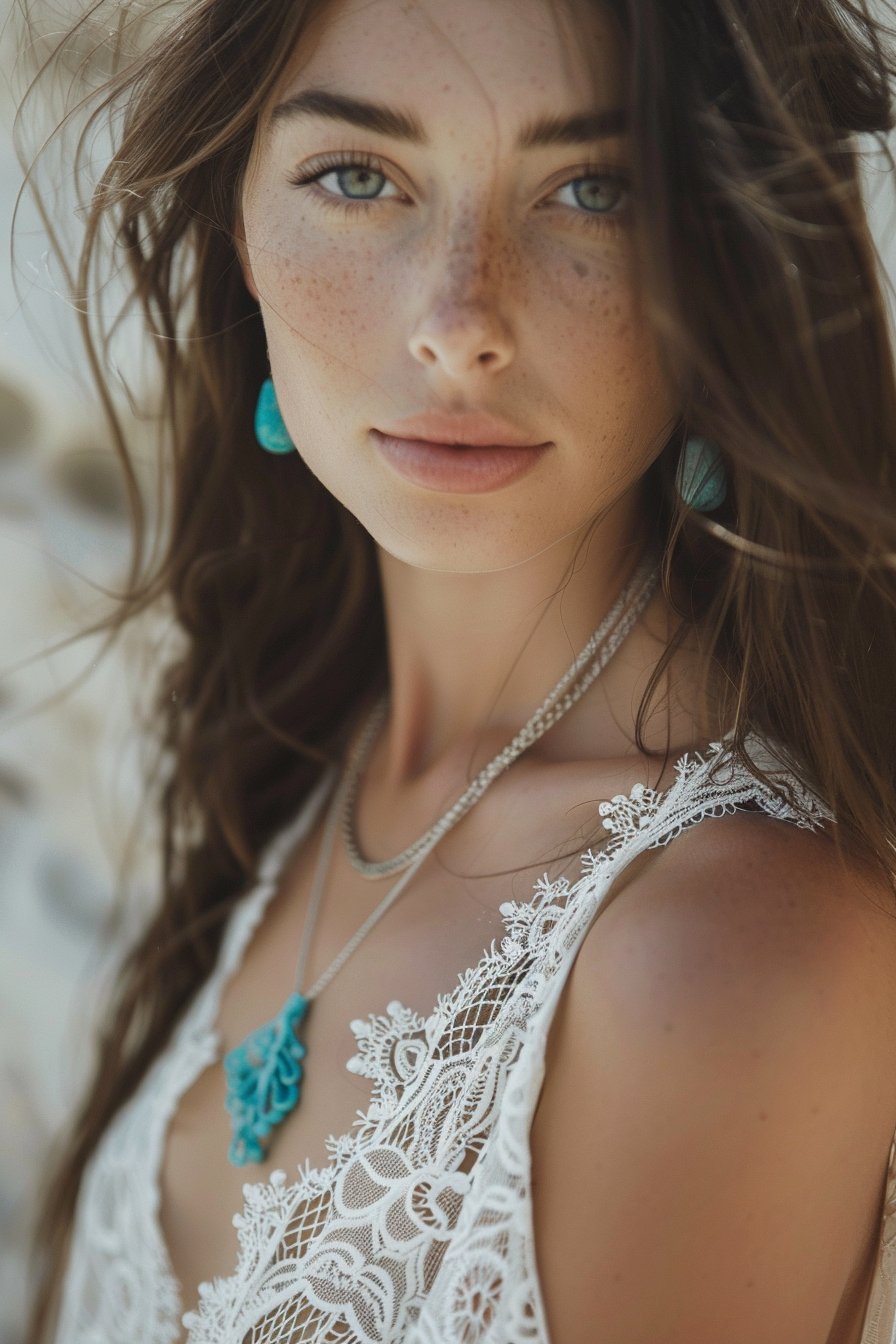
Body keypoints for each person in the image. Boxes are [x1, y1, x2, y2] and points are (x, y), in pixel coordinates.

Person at [24, 0, 896, 1339]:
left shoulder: (720, 955)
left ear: (721, 255)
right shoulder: (313, 760)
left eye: (592, 189)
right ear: (240, 232)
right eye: (358, 177)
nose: (459, 321)